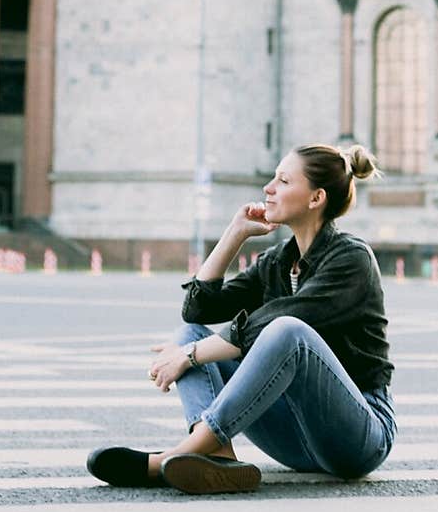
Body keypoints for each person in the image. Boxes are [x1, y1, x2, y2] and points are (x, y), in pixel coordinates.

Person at [87, 143, 396, 494]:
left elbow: (270, 325)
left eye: (282, 180)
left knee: (287, 331)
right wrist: (234, 233)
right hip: (295, 438)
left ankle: (176, 457)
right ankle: (218, 457)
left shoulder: (351, 259)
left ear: (315, 199)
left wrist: (189, 356)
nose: (268, 188)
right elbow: (197, 310)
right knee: (189, 333)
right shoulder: (279, 260)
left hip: (357, 436)